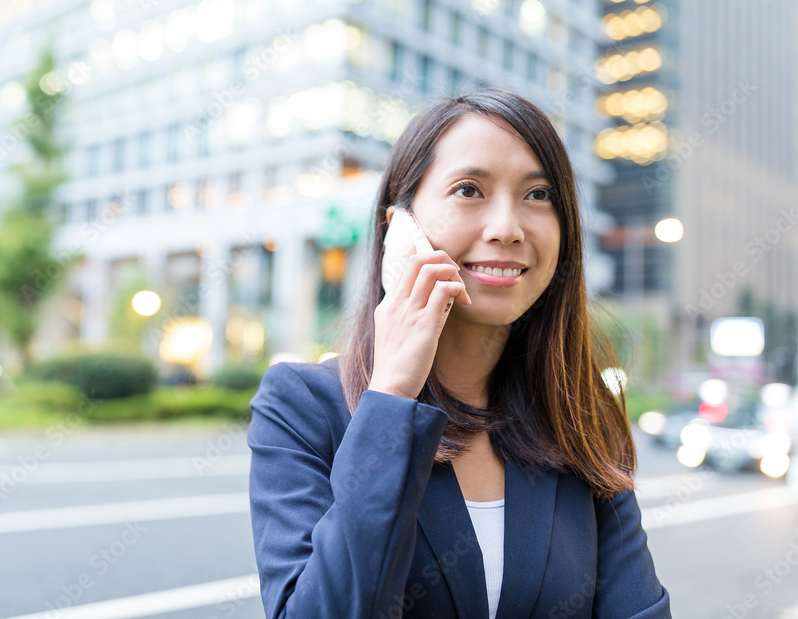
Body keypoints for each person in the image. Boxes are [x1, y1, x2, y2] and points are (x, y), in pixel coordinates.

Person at [246, 88, 673, 618]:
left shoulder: (580, 414)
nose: (507, 229)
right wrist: (392, 396)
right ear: (398, 228)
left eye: (539, 195)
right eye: (469, 189)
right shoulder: (302, 405)